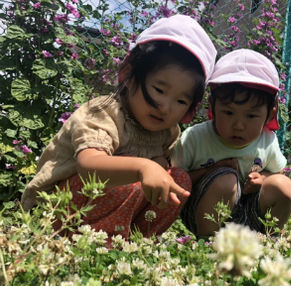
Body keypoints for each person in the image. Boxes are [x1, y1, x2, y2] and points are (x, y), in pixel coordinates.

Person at [21, 15, 217, 242]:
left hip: (107, 207)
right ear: (130, 75)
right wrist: (143, 167)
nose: (165, 108)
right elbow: (89, 166)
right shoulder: (104, 112)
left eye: (181, 101)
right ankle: (96, 246)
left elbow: (160, 164)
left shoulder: (168, 131)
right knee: (128, 182)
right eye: (159, 90)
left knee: (179, 180)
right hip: (56, 208)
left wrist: (159, 166)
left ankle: (135, 245)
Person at [171, 49, 291, 236]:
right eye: (228, 113)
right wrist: (210, 172)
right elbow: (174, 179)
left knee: (283, 186)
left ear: (270, 113)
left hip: (248, 217)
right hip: (202, 216)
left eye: (251, 115)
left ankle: (270, 241)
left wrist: (263, 180)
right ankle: (206, 245)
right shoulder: (195, 138)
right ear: (212, 106)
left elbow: (278, 172)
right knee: (225, 180)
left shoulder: (267, 139)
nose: (238, 125)